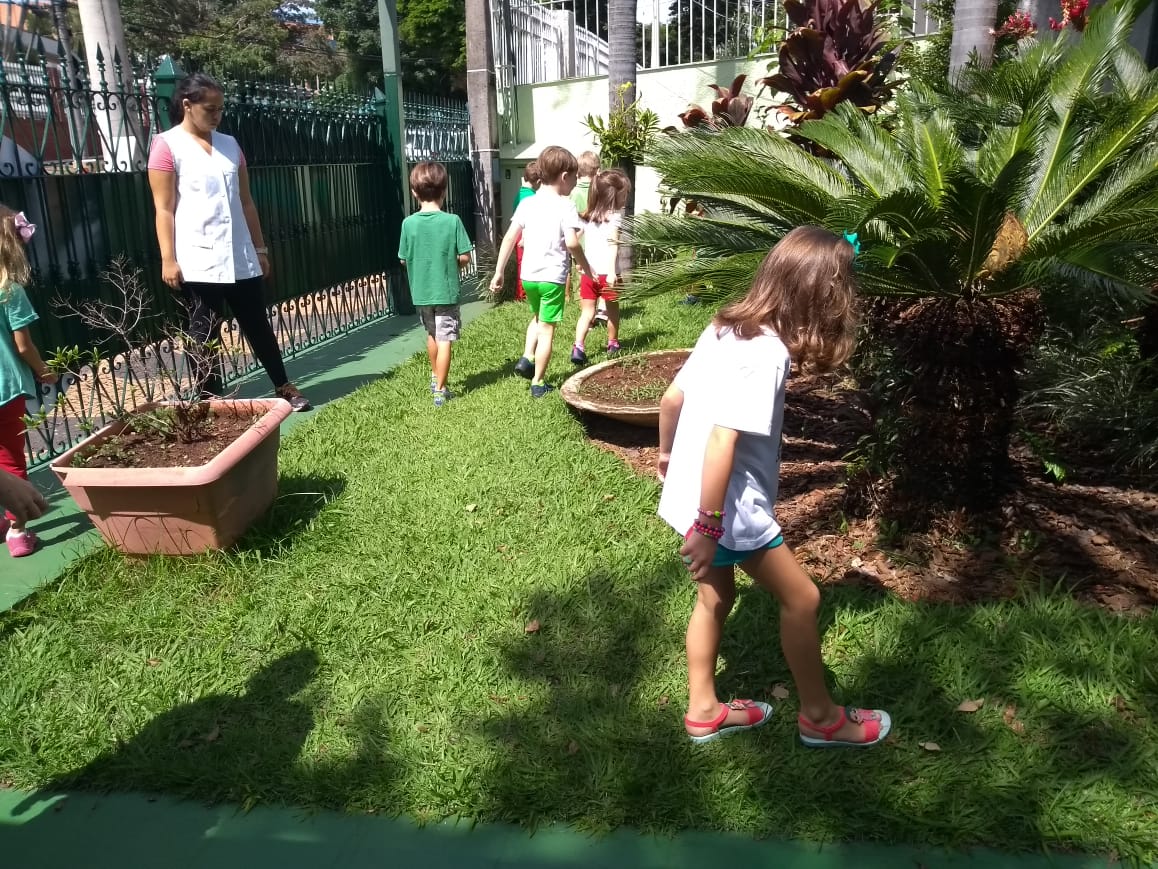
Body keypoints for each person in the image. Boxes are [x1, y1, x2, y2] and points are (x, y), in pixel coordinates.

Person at [657, 226, 891, 747]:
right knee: (803, 598)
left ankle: (703, 710)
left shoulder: (724, 325)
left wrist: (667, 456)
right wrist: (708, 525)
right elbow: (723, 440)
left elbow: (673, 397)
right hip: (728, 510)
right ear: (821, 295)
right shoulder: (767, 354)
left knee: (713, 598)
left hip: (690, 491)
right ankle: (821, 718)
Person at [147, 73, 311, 412]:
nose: (217, 115)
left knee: (258, 326)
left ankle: (284, 386)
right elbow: (163, 209)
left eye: (221, 109)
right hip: (197, 259)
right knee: (203, 332)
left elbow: (246, 201)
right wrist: (168, 258)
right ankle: (210, 401)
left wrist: (260, 248)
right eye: (210, 108)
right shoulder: (167, 145)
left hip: (239, 254)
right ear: (188, 106)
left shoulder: (230, 145)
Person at [490, 146, 595, 398]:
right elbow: (571, 242)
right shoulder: (565, 205)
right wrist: (586, 266)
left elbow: (510, 238)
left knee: (537, 317)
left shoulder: (528, 203)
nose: (574, 184)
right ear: (564, 176)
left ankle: (527, 357)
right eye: (574, 178)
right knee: (547, 329)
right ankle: (538, 382)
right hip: (551, 278)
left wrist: (499, 271)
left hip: (529, 277)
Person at [0, 206, 57, 557]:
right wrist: (44, 370)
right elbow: (23, 345)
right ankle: (19, 531)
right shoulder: (10, 292)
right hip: (7, 390)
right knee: (11, 457)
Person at [398, 162, 474, 408]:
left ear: (414, 192)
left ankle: (435, 377)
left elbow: (403, 258)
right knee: (445, 340)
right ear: (444, 191)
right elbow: (464, 257)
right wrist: (451, 265)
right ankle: (440, 391)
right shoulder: (452, 221)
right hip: (446, 292)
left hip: (422, 293)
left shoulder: (408, 224)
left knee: (432, 334)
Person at [571, 168, 631, 366]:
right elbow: (613, 243)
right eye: (625, 194)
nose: (625, 198)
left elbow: (573, 239)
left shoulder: (588, 215)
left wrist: (581, 264)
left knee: (587, 312)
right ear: (615, 195)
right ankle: (613, 343)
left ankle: (578, 346)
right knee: (612, 310)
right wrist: (613, 271)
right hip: (608, 274)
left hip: (590, 273)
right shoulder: (615, 217)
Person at [568, 151, 599, 305]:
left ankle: (581, 303)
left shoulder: (573, 192)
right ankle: (597, 302)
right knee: (596, 273)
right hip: (597, 241)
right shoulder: (599, 190)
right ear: (597, 170)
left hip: (578, 241)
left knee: (579, 275)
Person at [513, 161, 540, 303]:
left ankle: (521, 294)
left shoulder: (520, 193)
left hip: (519, 235)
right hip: (524, 237)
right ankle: (522, 296)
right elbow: (526, 221)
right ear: (538, 181)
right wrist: (524, 238)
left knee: (522, 265)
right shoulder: (529, 196)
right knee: (525, 265)